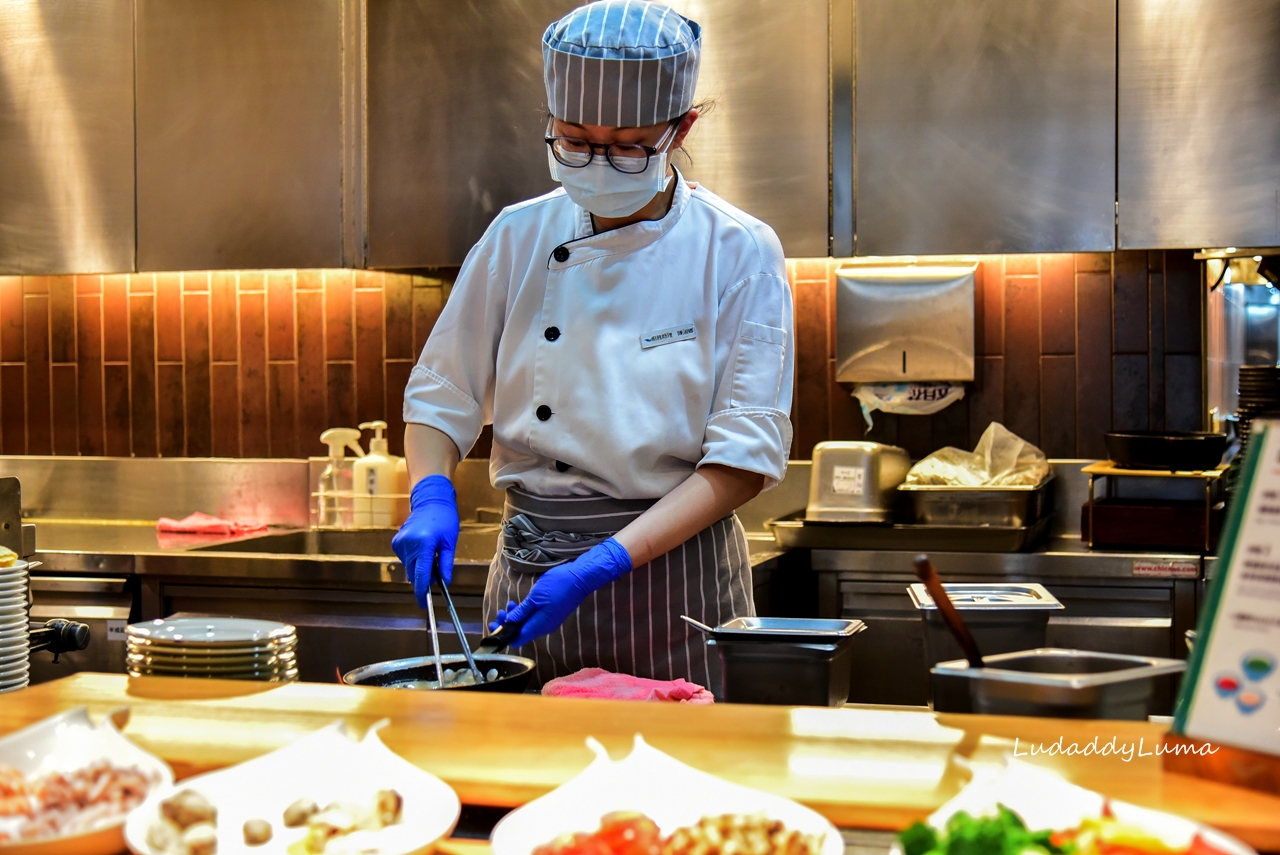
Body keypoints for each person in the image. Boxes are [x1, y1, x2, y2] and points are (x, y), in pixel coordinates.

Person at [392, 0, 794, 692]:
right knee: (524, 783)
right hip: (527, 590)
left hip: (676, 594)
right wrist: (430, 489)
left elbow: (744, 459)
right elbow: (442, 392)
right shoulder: (516, 237)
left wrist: (601, 562)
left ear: (683, 127)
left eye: (629, 144)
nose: (599, 161)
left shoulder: (738, 251)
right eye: (574, 140)